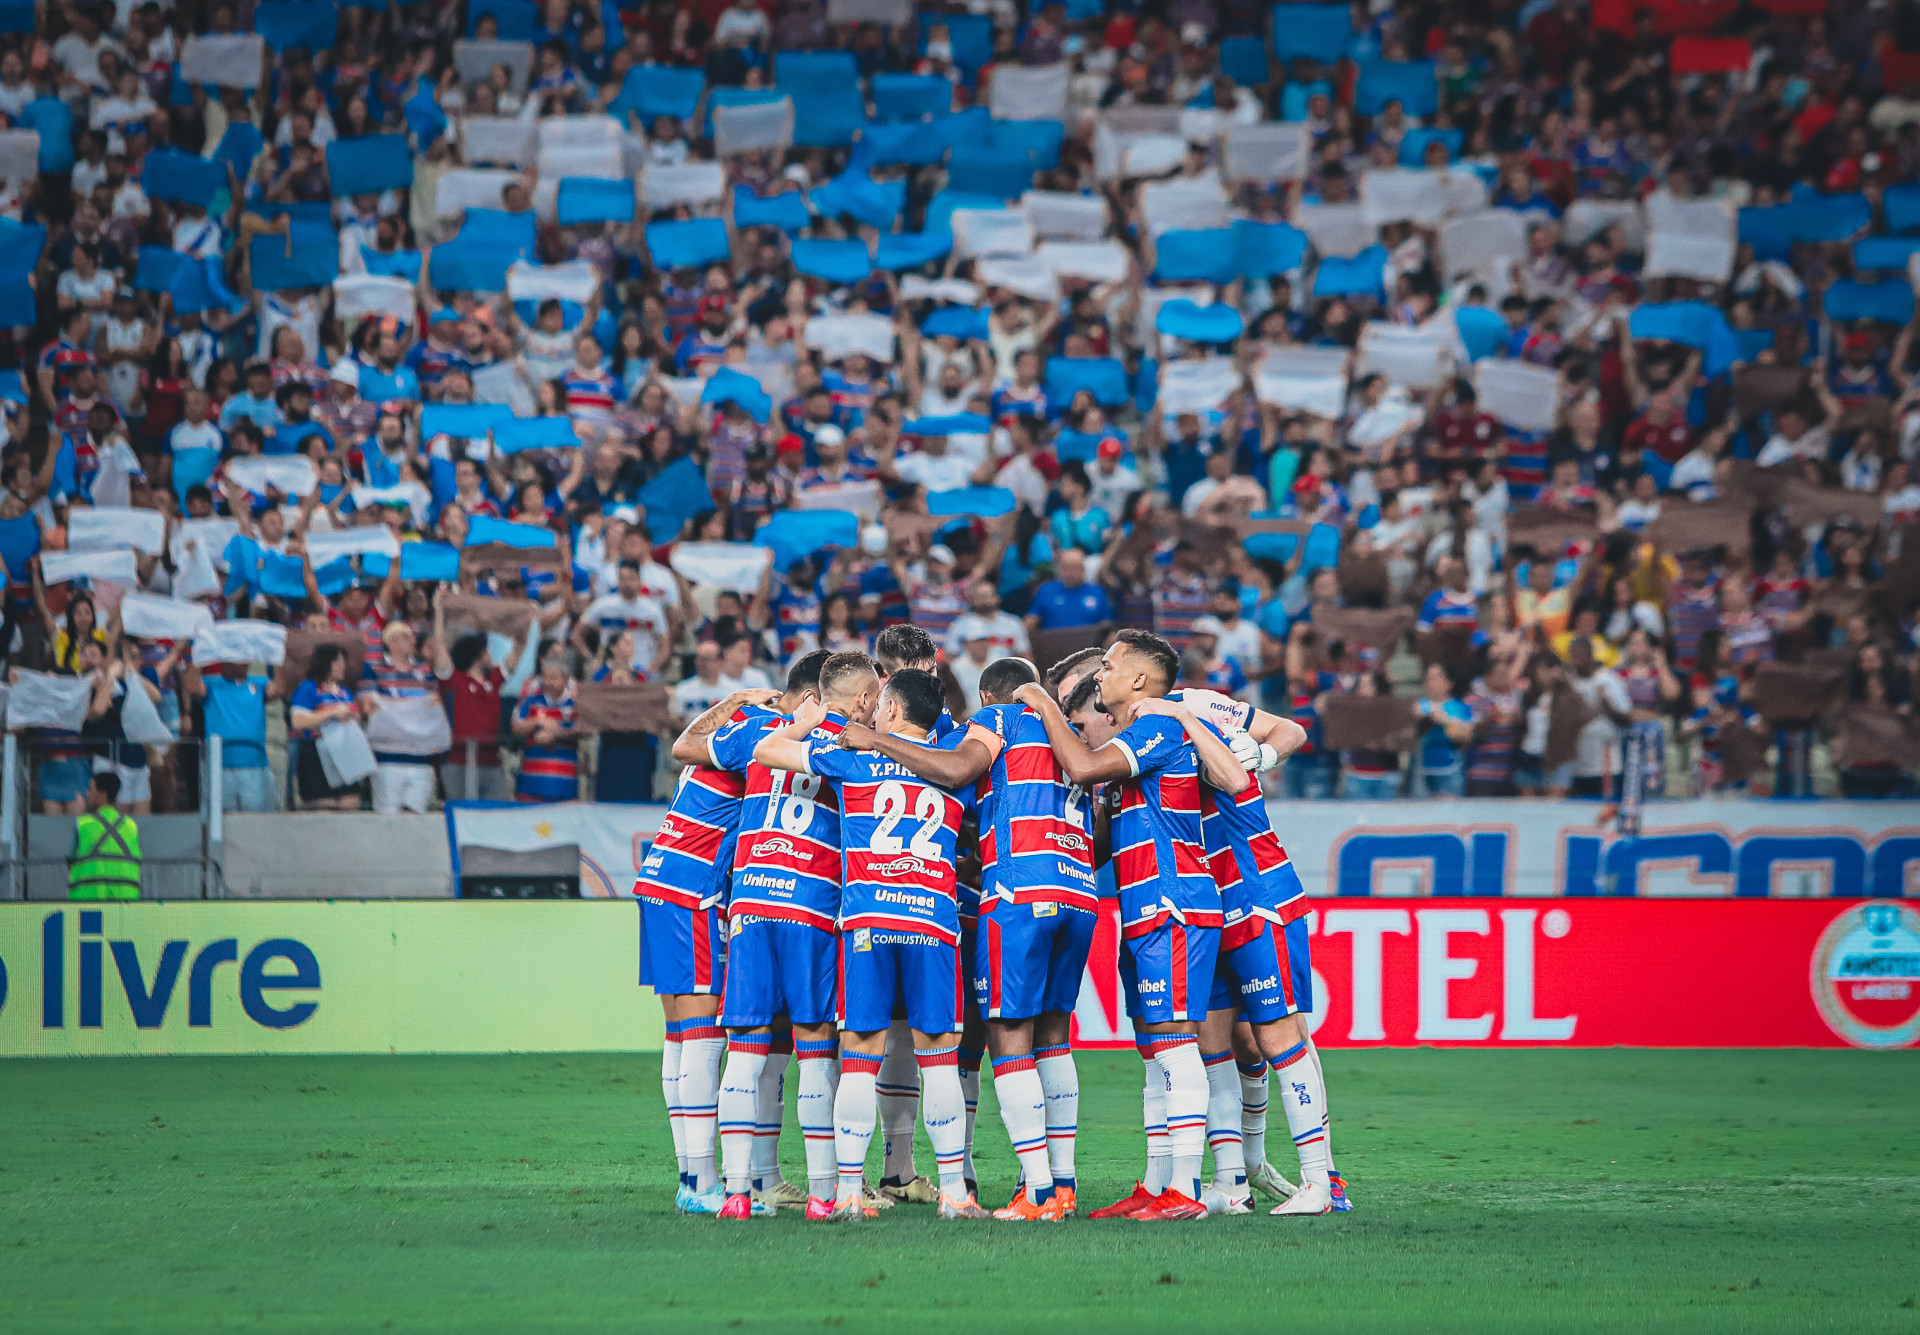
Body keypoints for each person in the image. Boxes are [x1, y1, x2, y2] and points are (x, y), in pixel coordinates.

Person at [839, 656, 1097, 1221]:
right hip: (1080, 890)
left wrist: (873, 741)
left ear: (988, 696)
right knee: (1054, 1035)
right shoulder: (1071, 732)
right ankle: (1064, 1182)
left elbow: (958, 769)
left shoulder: (999, 719)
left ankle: (1036, 1192)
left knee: (1005, 1036)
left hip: (1021, 891)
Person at [749, 665, 987, 1222]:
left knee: (858, 1056)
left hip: (868, 922)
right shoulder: (953, 766)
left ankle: (850, 1194)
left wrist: (804, 723)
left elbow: (765, 754)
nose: (872, 712)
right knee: (938, 1057)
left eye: (881, 705)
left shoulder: (852, 759)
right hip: (931, 921)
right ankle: (954, 1192)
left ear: (896, 711)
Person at [1010, 629, 1219, 1221]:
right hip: (1144, 907)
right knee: (1156, 1049)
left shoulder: (1157, 728)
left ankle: (1189, 1189)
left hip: (1173, 903)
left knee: (1176, 1044)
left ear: (1139, 680)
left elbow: (1080, 767)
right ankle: (1158, 1185)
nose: (1099, 674)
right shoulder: (1137, 741)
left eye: (1107, 666)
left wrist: (1045, 704)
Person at [645, 665, 812, 1217]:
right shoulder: (770, 730)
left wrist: (732, 698)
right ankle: (701, 1181)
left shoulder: (742, 717)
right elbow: (684, 747)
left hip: (664, 876)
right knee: (705, 1035)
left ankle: (697, 1176)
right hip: (693, 885)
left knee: (680, 1035)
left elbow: (684, 744)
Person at [705, 650, 863, 1221]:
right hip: (811, 908)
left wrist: (753, 706)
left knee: (744, 1049)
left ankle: (736, 1195)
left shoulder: (756, 731)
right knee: (816, 1049)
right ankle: (823, 1195)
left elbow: (690, 749)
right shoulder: (850, 742)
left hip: (749, 904)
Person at [290, 644, 363, 810]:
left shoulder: (345, 692)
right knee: (324, 806)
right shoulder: (308, 688)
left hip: (344, 752)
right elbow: (298, 720)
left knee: (350, 803)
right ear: (325, 662)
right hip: (316, 752)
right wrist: (331, 713)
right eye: (338, 661)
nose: (342, 666)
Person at [67, 771, 141, 899]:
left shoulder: (83, 824)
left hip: (88, 901)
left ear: (103, 794)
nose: (87, 793)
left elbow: (70, 862)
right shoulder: (131, 825)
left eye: (91, 789)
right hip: (126, 901)